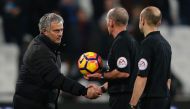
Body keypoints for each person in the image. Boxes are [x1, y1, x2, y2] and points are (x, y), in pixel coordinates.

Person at [13, 13, 101, 109]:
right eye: (56, 31)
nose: (60, 34)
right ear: (44, 31)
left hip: (39, 103)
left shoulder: (49, 46)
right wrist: (84, 91)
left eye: (61, 30)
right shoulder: (39, 51)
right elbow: (56, 79)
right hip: (30, 105)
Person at [86, 7, 139, 109]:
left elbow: (123, 72)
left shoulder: (121, 42)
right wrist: (102, 89)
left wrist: (101, 75)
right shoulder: (131, 40)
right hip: (128, 96)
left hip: (123, 99)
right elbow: (121, 76)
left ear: (111, 22)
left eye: (107, 21)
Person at [129, 6, 172, 109]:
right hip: (164, 100)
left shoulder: (147, 44)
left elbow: (142, 77)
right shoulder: (166, 44)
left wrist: (133, 104)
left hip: (150, 101)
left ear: (142, 20)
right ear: (159, 22)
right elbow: (168, 79)